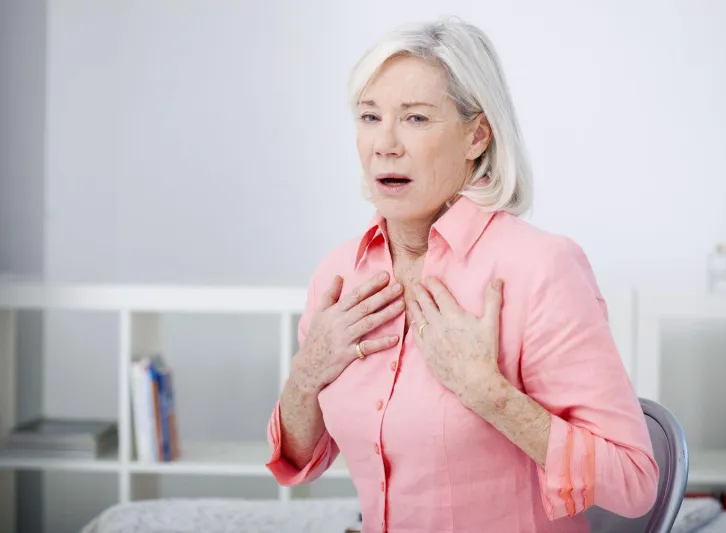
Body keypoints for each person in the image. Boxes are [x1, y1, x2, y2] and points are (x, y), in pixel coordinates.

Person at [266, 17, 658, 533]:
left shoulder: (541, 269)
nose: (385, 143)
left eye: (416, 118)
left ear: (476, 136)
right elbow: (299, 462)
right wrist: (307, 373)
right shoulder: (339, 275)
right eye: (370, 116)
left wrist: (489, 393)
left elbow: (633, 482)